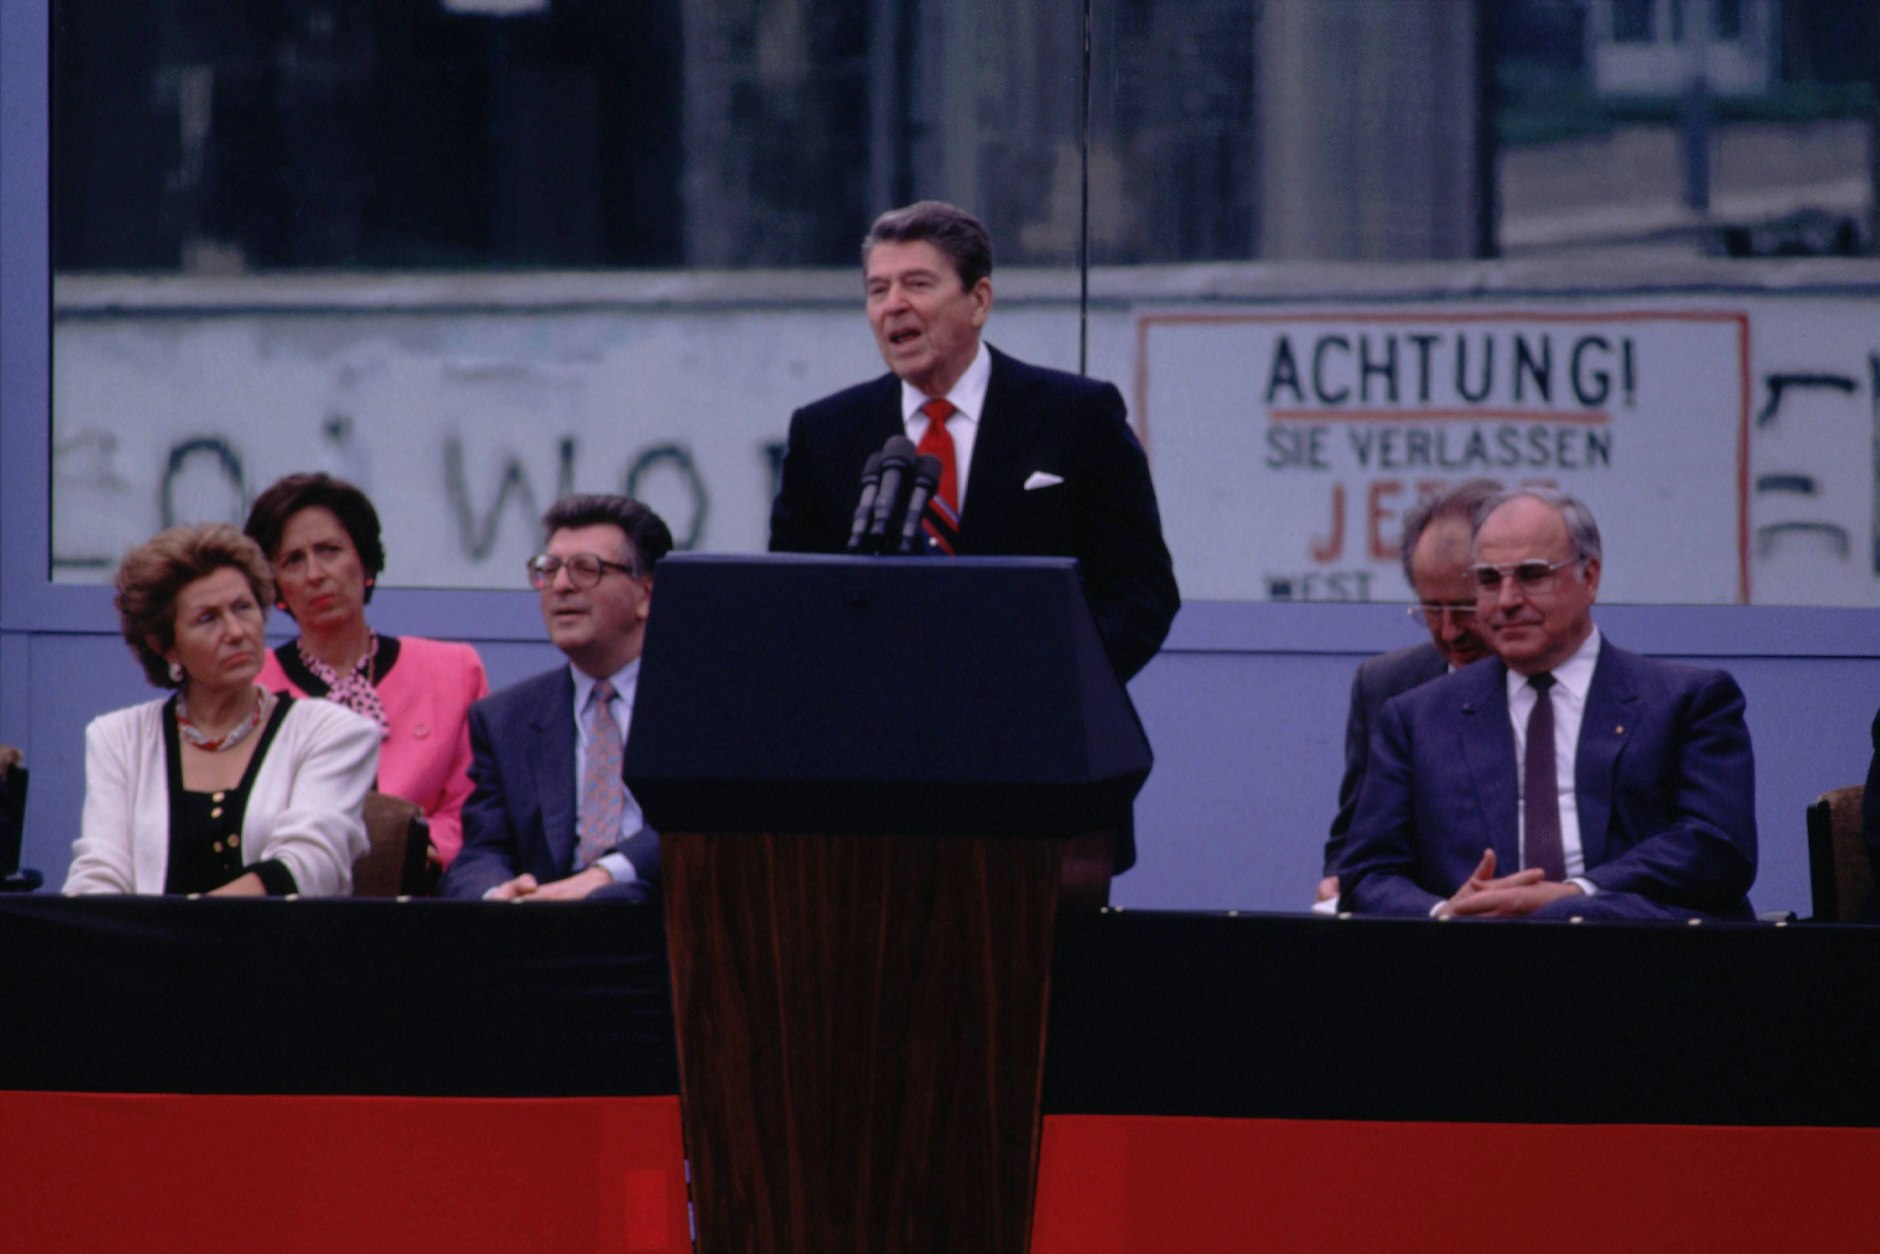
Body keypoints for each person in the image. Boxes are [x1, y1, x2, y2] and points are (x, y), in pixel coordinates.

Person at [768, 200, 1180, 686]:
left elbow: (1142, 592)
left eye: (917, 284)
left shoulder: (1078, 416)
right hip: (878, 735)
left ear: (979, 300)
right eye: (878, 289)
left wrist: (1068, 692)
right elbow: (791, 601)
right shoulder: (824, 433)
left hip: (1037, 729)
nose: (893, 305)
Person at [1339, 488, 1758, 921]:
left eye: (1532, 575)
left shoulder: (1686, 702)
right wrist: (1448, 914)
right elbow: (1366, 875)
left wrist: (1573, 897)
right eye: (1487, 580)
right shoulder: (1415, 720)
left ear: (1590, 577)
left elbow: (1717, 846)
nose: (1506, 601)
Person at [65, 524, 379, 896]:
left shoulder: (333, 732)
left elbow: (310, 866)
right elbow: (99, 874)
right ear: (166, 646)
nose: (235, 631)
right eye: (207, 618)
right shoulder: (117, 738)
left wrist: (186, 931)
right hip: (148, 952)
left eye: (243, 608)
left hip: (280, 950)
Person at [244, 473, 488, 869]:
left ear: (365, 561)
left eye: (329, 550)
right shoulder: (251, 687)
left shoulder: (454, 671)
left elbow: (474, 803)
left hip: (424, 895)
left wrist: (418, 851)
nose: (315, 574)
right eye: (292, 560)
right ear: (274, 586)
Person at [439, 495, 671, 903]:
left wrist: (606, 874)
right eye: (548, 570)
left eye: (587, 569)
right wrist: (496, 895)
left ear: (647, 595)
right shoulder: (505, 718)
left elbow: (706, 827)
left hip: (667, 926)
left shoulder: (700, 703)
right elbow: (481, 850)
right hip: (542, 936)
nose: (561, 585)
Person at [1317, 479, 1499, 905]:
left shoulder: (1559, 686)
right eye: (1431, 609)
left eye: (1465, 607)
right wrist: (1338, 881)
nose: (1450, 631)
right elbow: (1352, 844)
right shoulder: (1384, 687)